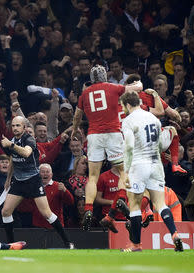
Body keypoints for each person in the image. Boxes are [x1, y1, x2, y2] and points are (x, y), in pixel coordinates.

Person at [71, 65, 141, 230]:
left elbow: (77, 116)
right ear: (104, 76)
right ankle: (122, 198)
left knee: (93, 177)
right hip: (113, 133)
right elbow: (137, 88)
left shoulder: (85, 94)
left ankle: (88, 208)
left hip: (94, 135)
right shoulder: (114, 87)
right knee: (124, 171)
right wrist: (136, 85)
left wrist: (75, 129)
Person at [120, 91, 183, 252]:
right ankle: (175, 234)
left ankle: (136, 245)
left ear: (127, 105)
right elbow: (160, 143)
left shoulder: (128, 121)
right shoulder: (153, 118)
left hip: (139, 164)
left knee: (134, 205)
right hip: (156, 164)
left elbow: (128, 147)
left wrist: (126, 171)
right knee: (160, 204)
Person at [0, 116, 74, 248]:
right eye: (13, 126)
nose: (15, 128)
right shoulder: (11, 140)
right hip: (18, 181)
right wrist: (8, 178)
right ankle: (11, 245)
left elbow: (26, 153)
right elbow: (13, 159)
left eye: (18, 126)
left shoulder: (29, 139)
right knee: (5, 211)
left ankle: (68, 242)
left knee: (47, 213)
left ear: (24, 127)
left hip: (33, 181)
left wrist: (11, 145)